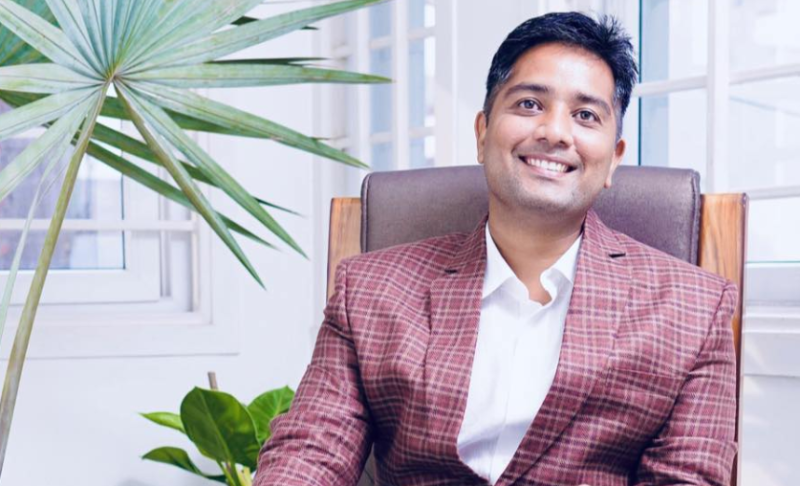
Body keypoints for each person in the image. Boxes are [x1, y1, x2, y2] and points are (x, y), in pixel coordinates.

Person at [254, 12, 738, 486]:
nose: (554, 132)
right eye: (529, 104)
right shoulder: (369, 289)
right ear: (483, 133)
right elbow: (311, 451)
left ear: (613, 158)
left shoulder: (695, 309)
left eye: (585, 115)